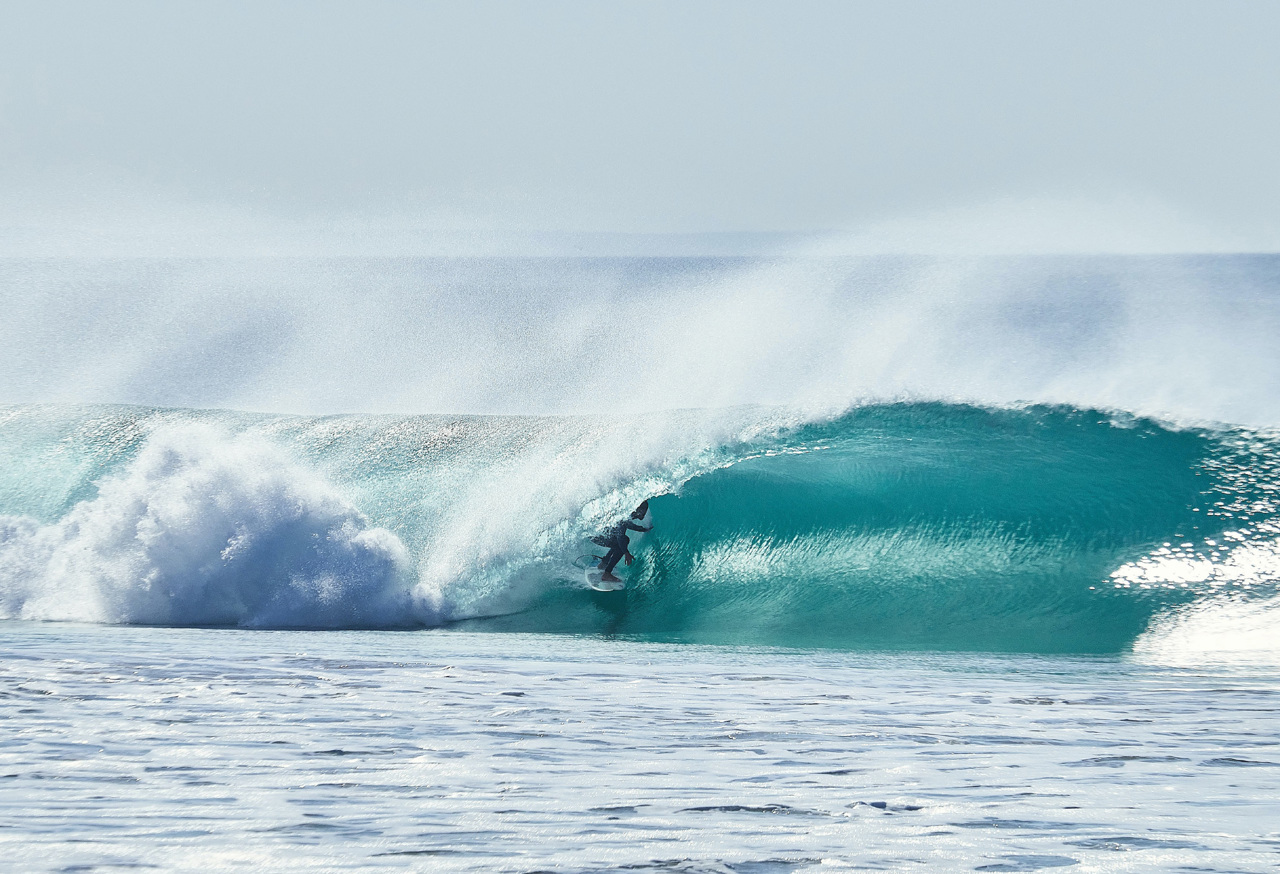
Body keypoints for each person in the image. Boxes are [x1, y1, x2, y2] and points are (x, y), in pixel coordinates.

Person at [591, 500, 652, 583]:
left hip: (595, 533)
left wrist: (642, 529)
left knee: (620, 541)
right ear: (639, 509)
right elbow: (620, 535)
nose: (644, 514)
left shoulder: (627, 512)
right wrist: (626, 553)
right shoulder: (626, 515)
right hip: (597, 536)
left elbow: (627, 524)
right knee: (622, 542)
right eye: (644, 510)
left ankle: (604, 563)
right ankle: (607, 574)